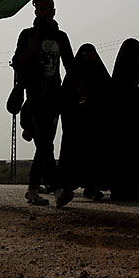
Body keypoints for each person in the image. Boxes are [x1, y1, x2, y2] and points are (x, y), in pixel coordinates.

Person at [11, 0, 75, 208]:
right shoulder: (27, 35)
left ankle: (32, 190)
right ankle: (57, 190)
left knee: (45, 144)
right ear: (36, 11)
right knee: (45, 143)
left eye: (50, 8)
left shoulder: (61, 37)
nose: (47, 12)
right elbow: (19, 62)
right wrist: (33, 43)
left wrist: (79, 92)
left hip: (54, 97)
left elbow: (70, 66)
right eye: (42, 9)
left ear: (54, 10)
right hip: (35, 96)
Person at [59, 44, 109, 201]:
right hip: (75, 124)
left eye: (92, 54)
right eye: (86, 54)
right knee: (72, 154)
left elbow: (108, 91)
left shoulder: (100, 73)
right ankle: (65, 187)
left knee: (94, 155)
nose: (90, 58)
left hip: (94, 124)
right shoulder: (73, 77)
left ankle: (92, 188)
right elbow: (65, 99)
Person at [108, 39, 139, 201]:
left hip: (125, 117)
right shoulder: (125, 77)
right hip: (129, 117)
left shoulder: (118, 74)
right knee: (134, 155)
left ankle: (122, 190)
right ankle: (129, 190)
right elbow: (128, 87)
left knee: (124, 155)